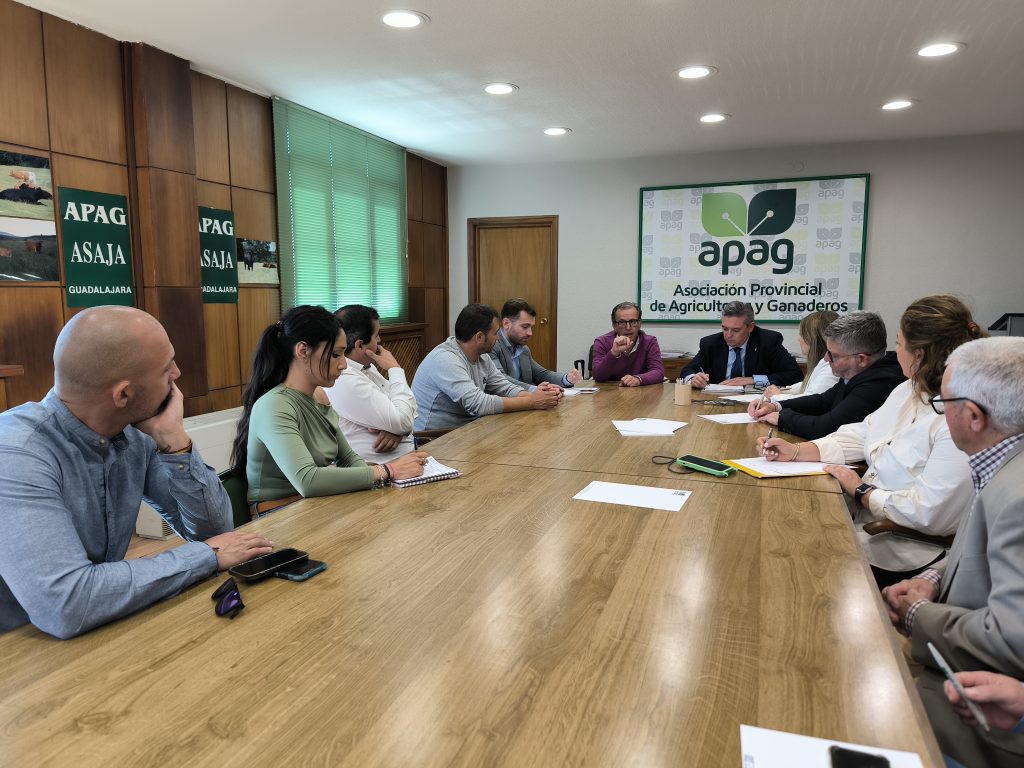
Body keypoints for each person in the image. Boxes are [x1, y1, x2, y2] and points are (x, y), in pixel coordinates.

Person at [0, 306, 273, 639]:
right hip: (21, 650)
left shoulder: (134, 434)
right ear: (124, 394)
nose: (177, 373)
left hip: (98, 631)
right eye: (167, 368)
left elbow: (216, 532)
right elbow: (66, 604)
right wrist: (206, 557)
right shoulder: (17, 453)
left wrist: (176, 442)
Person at [758, 295, 983, 586]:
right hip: (863, 525)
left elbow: (930, 512)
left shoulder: (959, 417)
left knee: (788, 566)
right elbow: (862, 431)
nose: (893, 350)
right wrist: (797, 451)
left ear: (918, 355)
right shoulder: (908, 389)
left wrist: (862, 492)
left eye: (899, 343)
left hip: (900, 550)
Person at [880, 336, 1024, 768]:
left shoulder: (1017, 496)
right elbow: (980, 547)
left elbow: (1010, 639)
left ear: (974, 416)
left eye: (943, 405)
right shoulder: (1001, 460)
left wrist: (917, 615)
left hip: (980, 707)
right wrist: (933, 578)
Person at [231, 305, 427, 508]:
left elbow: (348, 459)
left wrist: (381, 477)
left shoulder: (319, 396)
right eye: (335, 355)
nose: (343, 364)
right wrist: (388, 471)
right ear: (303, 351)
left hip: (316, 504)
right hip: (278, 513)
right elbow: (307, 480)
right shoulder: (274, 405)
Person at [748, 311, 905, 439]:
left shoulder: (879, 383)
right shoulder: (858, 372)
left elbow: (827, 426)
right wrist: (775, 406)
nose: (826, 358)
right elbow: (823, 401)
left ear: (861, 359)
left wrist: (783, 418)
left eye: (833, 355)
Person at [412, 303, 562, 431]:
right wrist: (532, 401)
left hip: (468, 429)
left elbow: (505, 387)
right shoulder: (445, 359)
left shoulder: (483, 356)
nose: (498, 338)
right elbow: (479, 404)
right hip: (435, 438)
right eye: (495, 333)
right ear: (479, 337)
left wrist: (540, 396)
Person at [324, 304, 417, 464]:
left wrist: (399, 430)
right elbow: (404, 419)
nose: (380, 340)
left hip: (406, 460)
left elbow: (412, 410)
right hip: (377, 470)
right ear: (360, 345)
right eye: (376, 335)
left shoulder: (366, 366)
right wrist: (395, 369)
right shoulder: (344, 377)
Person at [680, 301, 802, 389]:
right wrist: (693, 378)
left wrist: (752, 380)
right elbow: (687, 371)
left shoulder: (768, 341)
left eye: (736, 330)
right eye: (725, 328)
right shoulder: (710, 344)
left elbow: (795, 375)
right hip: (717, 401)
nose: (728, 335)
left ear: (750, 327)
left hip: (756, 402)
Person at [490, 298, 582, 390]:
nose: (530, 333)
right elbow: (500, 380)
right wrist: (533, 390)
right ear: (506, 323)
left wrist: (566, 379)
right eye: (525, 327)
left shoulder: (523, 349)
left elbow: (541, 374)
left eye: (531, 327)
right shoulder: (491, 346)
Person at [761, 309, 840, 399]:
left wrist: (778, 396)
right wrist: (782, 390)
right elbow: (806, 386)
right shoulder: (823, 363)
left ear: (813, 339)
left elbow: (811, 401)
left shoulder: (830, 368)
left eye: (802, 334)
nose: (799, 339)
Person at [591, 301, 664, 386]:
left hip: (640, 391)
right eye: (622, 322)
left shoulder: (649, 342)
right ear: (614, 326)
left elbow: (658, 372)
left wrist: (638, 379)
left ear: (640, 324)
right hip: (610, 390)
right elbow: (597, 376)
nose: (628, 327)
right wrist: (614, 353)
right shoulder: (602, 342)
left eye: (633, 321)